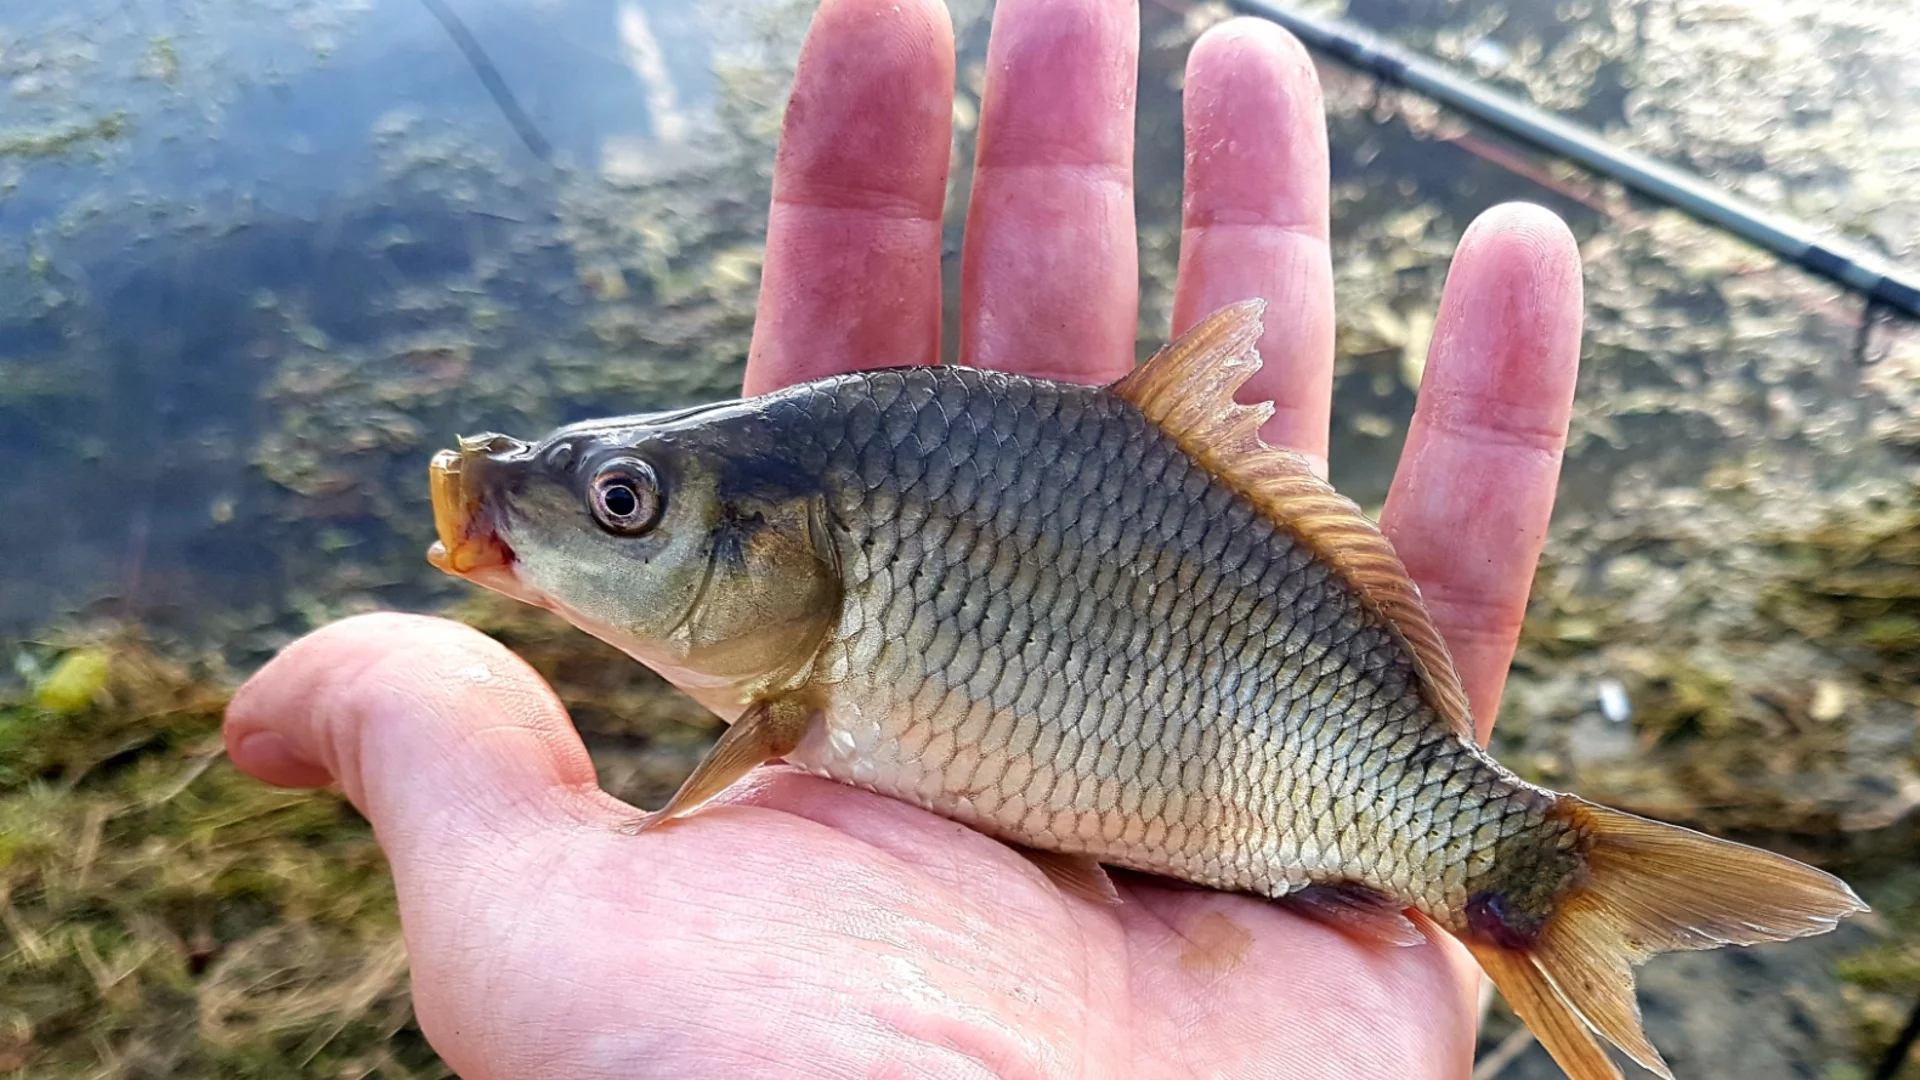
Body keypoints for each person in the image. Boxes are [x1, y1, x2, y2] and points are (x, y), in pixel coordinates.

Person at [223, 0, 1584, 1075]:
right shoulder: (805, 626)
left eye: (625, 504)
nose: (561, 514)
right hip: (1215, 800)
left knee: (1455, 838)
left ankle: (1526, 872)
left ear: (790, 544)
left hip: (1268, 767)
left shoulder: (787, 688)